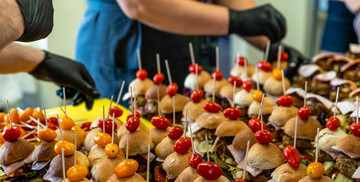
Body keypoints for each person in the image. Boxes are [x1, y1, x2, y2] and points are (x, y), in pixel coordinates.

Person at [75, 0, 294, 106]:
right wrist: (237, 21)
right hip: (124, 48)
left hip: (185, 44)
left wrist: (271, 45)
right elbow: (139, 4)